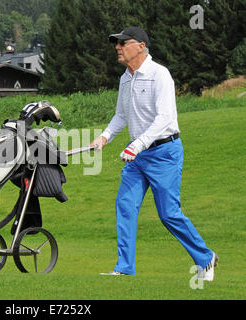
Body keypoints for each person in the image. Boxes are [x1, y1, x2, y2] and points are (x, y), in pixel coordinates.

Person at [90, 26, 218, 280]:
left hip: (164, 153)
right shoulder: (125, 78)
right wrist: (105, 136)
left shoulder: (160, 75)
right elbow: (121, 115)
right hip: (138, 157)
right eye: (117, 43)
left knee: (168, 214)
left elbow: (165, 118)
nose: (117, 47)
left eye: (123, 43)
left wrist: (136, 145)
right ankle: (124, 268)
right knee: (125, 206)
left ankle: (206, 258)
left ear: (140, 46)